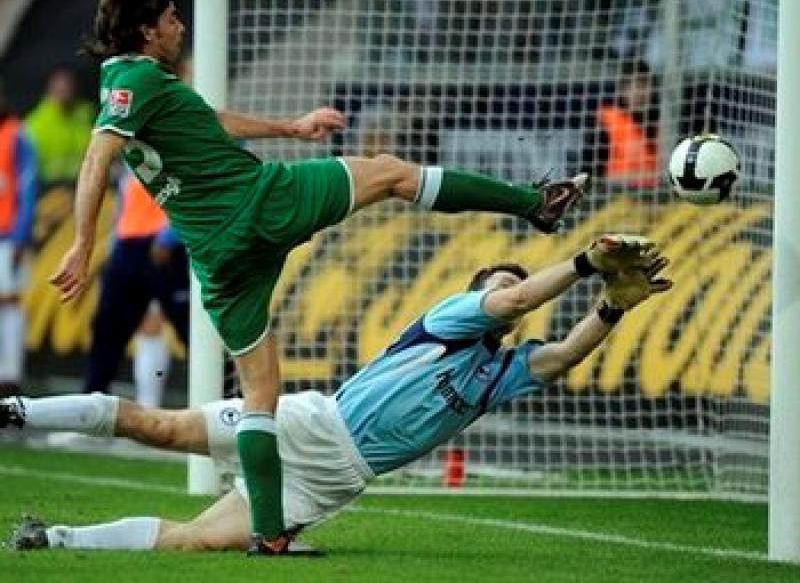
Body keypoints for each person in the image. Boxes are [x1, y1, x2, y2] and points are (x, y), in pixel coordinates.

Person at [49, 0, 587, 556]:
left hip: (216, 255)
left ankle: (270, 534)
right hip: (258, 203)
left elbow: (205, 121)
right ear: (146, 29)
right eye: (172, 17)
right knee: (391, 173)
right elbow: (97, 157)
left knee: (260, 395)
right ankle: (534, 203)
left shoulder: (135, 83)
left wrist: (290, 127)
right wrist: (82, 243)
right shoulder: (135, 81)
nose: (181, 25)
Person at [8, 234, 671, 553]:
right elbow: (520, 297)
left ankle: (54, 539)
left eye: (509, 288)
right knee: (164, 428)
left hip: (337, 480)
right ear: (478, 296)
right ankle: (16, 411)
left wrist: (614, 304)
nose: (507, 294)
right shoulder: (452, 319)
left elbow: (563, 355)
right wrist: (585, 264)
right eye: (497, 285)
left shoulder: (498, 372)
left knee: (195, 543)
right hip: (314, 424)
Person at [83, 168, 188, 406]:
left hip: (166, 248)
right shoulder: (129, 157)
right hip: (127, 246)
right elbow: (124, 202)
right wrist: (115, 248)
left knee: (190, 331)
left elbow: (194, 189)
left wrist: (169, 236)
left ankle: (230, 403)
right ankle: (90, 407)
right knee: (109, 333)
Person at [0, 79, 38, 390]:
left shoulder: (17, 133)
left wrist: (20, 236)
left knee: (10, 301)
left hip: (7, 234)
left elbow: (28, 186)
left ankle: (11, 377)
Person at [581, 59, 659, 189]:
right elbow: (590, 173)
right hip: (614, 195)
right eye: (633, 85)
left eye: (644, 85)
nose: (639, 92)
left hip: (654, 196)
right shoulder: (606, 121)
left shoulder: (660, 123)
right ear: (622, 89)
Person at [25, 66, 94, 190]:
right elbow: (30, 168)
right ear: (49, 87)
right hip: (48, 187)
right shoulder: (35, 122)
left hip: (84, 183)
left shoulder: (87, 114)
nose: (64, 88)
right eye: (59, 84)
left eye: (68, 84)